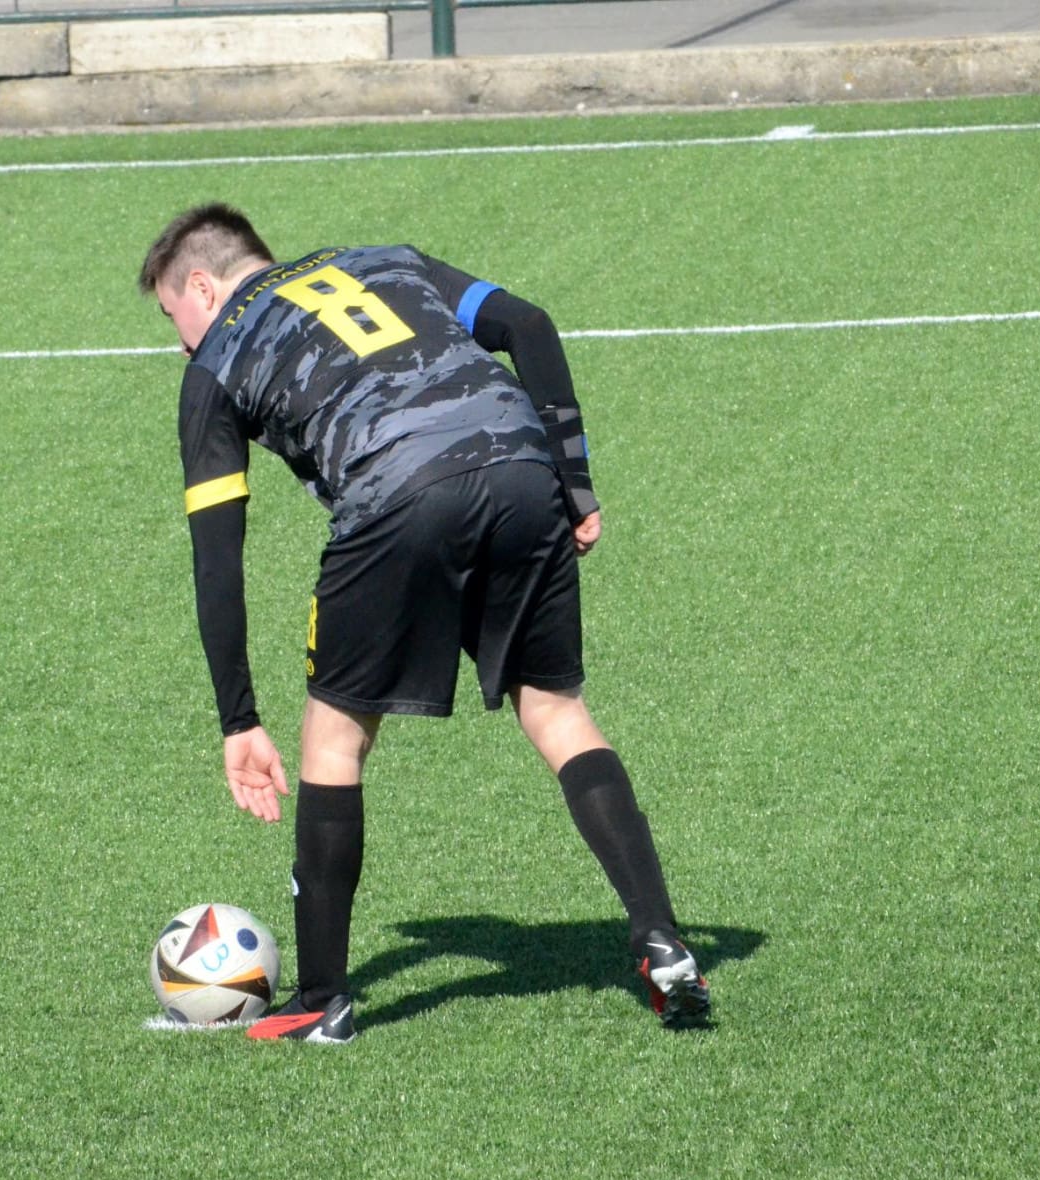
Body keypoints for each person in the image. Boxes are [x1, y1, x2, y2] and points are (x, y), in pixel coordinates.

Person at [139, 203, 710, 1042]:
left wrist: (239, 719)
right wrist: (574, 480)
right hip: (522, 466)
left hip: (397, 496)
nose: (180, 343)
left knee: (334, 740)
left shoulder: (216, 358)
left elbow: (217, 559)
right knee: (556, 711)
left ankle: (321, 1001)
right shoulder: (384, 258)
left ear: (202, 286)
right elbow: (528, 325)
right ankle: (661, 939)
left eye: (171, 318)